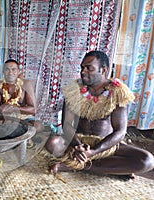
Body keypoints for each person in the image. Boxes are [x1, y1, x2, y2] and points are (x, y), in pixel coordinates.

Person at [44, 50, 154, 178]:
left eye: (89, 68)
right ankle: (111, 169)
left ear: (103, 70)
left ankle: (79, 166)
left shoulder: (118, 93)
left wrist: (94, 151)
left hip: (104, 146)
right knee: (53, 143)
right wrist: (78, 146)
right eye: (82, 68)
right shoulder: (73, 91)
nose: (83, 72)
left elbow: (120, 132)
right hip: (77, 143)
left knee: (147, 160)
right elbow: (67, 125)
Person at [0, 59, 44, 133]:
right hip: (6, 118)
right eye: (7, 69)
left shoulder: (26, 84)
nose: (10, 72)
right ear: (3, 72)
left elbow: (33, 110)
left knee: (38, 126)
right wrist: (2, 108)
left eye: (13, 69)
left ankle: (19, 133)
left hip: (24, 118)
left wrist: (14, 108)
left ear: (18, 71)